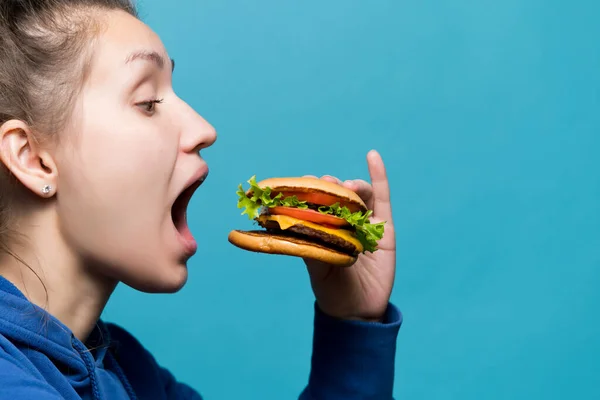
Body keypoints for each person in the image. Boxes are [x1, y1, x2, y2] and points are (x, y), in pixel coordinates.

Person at [0, 0, 401, 399]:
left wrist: (353, 325)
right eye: (148, 103)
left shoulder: (135, 375)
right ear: (32, 158)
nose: (204, 129)